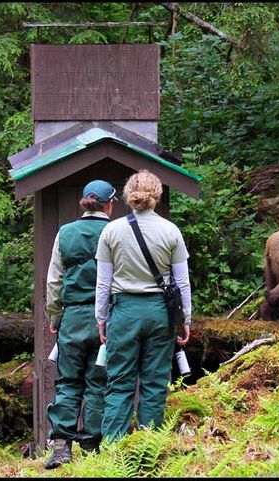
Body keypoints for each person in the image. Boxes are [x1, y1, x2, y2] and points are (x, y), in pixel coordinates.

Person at [95, 169, 192, 442]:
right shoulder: (171, 231)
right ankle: (148, 450)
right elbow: (182, 283)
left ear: (128, 195)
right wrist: (185, 320)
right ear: (157, 195)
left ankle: (113, 453)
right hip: (160, 313)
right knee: (154, 383)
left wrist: (101, 318)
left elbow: (103, 284)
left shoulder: (111, 230)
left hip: (124, 312)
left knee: (120, 384)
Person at [43, 180, 117, 469]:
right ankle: (93, 445)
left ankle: (61, 447)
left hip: (72, 318)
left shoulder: (65, 233)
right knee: (98, 382)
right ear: (109, 204)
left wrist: (54, 317)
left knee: (68, 381)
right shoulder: (114, 232)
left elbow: (54, 281)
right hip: (107, 319)